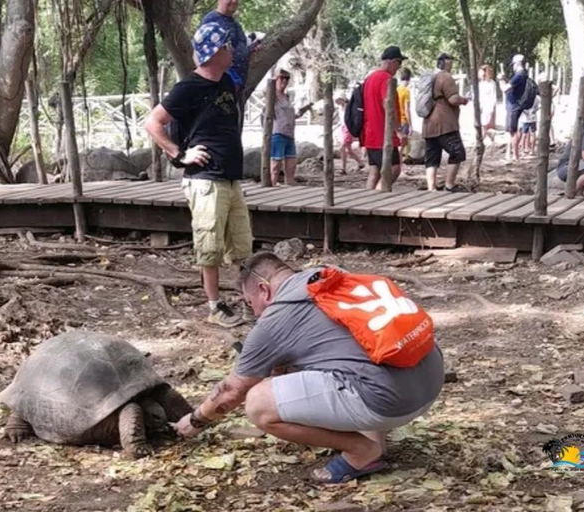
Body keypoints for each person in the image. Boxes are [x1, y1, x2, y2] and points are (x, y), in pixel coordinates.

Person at [174, 252, 444, 483]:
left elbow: (232, 391)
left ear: (264, 290)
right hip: (429, 382)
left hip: (390, 402)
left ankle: (361, 450)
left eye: (250, 303)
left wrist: (196, 420)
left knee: (257, 403)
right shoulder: (329, 276)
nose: (255, 312)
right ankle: (376, 438)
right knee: (345, 359)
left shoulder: (275, 318)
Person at [143, 22, 251, 328]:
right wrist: (179, 154)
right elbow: (153, 123)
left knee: (242, 246)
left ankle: (248, 304)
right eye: (226, 47)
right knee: (210, 247)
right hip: (204, 181)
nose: (231, 51)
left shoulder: (227, 82)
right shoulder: (188, 88)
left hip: (230, 178)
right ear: (214, 53)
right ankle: (215, 306)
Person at [361, 46, 407, 190]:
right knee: (393, 169)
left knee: (375, 171)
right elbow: (389, 106)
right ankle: (379, 195)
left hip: (370, 133)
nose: (399, 68)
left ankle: (365, 201)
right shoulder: (386, 79)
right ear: (393, 61)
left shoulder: (369, 78)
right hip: (382, 134)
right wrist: (398, 131)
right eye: (399, 63)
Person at [423, 53, 468, 193]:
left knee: (432, 156)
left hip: (428, 123)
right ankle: (449, 185)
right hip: (444, 123)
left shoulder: (430, 77)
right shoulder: (445, 77)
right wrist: (464, 100)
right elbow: (453, 99)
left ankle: (432, 187)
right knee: (457, 152)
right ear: (446, 63)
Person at [201, 0, 258, 92]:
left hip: (238, 82)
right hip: (222, 83)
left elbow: (239, 46)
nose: (234, 1)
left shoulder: (235, 24)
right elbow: (205, 55)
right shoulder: (211, 20)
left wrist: (251, 49)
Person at [269, 69, 312, 186]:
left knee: (291, 163)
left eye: (287, 78)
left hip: (289, 133)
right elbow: (266, 91)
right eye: (281, 78)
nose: (284, 81)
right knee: (276, 163)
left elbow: (289, 115)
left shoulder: (286, 96)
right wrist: (274, 79)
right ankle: (271, 185)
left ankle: (290, 185)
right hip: (277, 132)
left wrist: (300, 113)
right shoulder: (272, 95)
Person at [499, 54, 528, 162]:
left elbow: (504, 89)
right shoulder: (522, 75)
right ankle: (510, 154)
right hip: (514, 105)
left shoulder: (519, 75)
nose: (513, 67)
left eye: (514, 64)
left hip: (514, 106)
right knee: (512, 130)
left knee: (513, 131)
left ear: (517, 64)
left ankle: (515, 156)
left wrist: (501, 80)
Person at [335, 95, 365, 174]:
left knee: (342, 148)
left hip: (349, 128)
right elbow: (342, 120)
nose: (337, 102)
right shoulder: (340, 109)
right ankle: (360, 162)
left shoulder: (348, 107)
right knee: (348, 150)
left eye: (338, 100)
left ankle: (343, 168)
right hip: (343, 128)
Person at [478, 64, 498, 144]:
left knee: (484, 124)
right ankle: (490, 134)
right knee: (483, 124)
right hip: (481, 105)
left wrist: (492, 106)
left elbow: (493, 95)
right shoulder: (480, 83)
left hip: (488, 105)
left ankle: (481, 140)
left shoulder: (491, 83)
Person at [397, 69, 413, 161]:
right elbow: (407, 109)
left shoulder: (397, 89)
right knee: (401, 146)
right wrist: (410, 125)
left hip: (397, 120)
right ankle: (399, 166)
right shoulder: (406, 91)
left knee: (398, 145)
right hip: (403, 120)